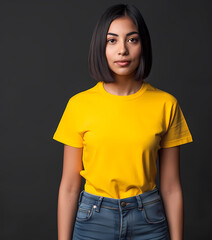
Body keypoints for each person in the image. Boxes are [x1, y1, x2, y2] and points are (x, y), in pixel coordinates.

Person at [53, 4, 193, 240]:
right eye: (112, 40)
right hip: (93, 221)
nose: (122, 50)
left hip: (148, 219)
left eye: (132, 40)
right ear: (101, 47)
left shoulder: (165, 104)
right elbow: (68, 187)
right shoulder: (79, 105)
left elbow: (171, 187)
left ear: (143, 45)